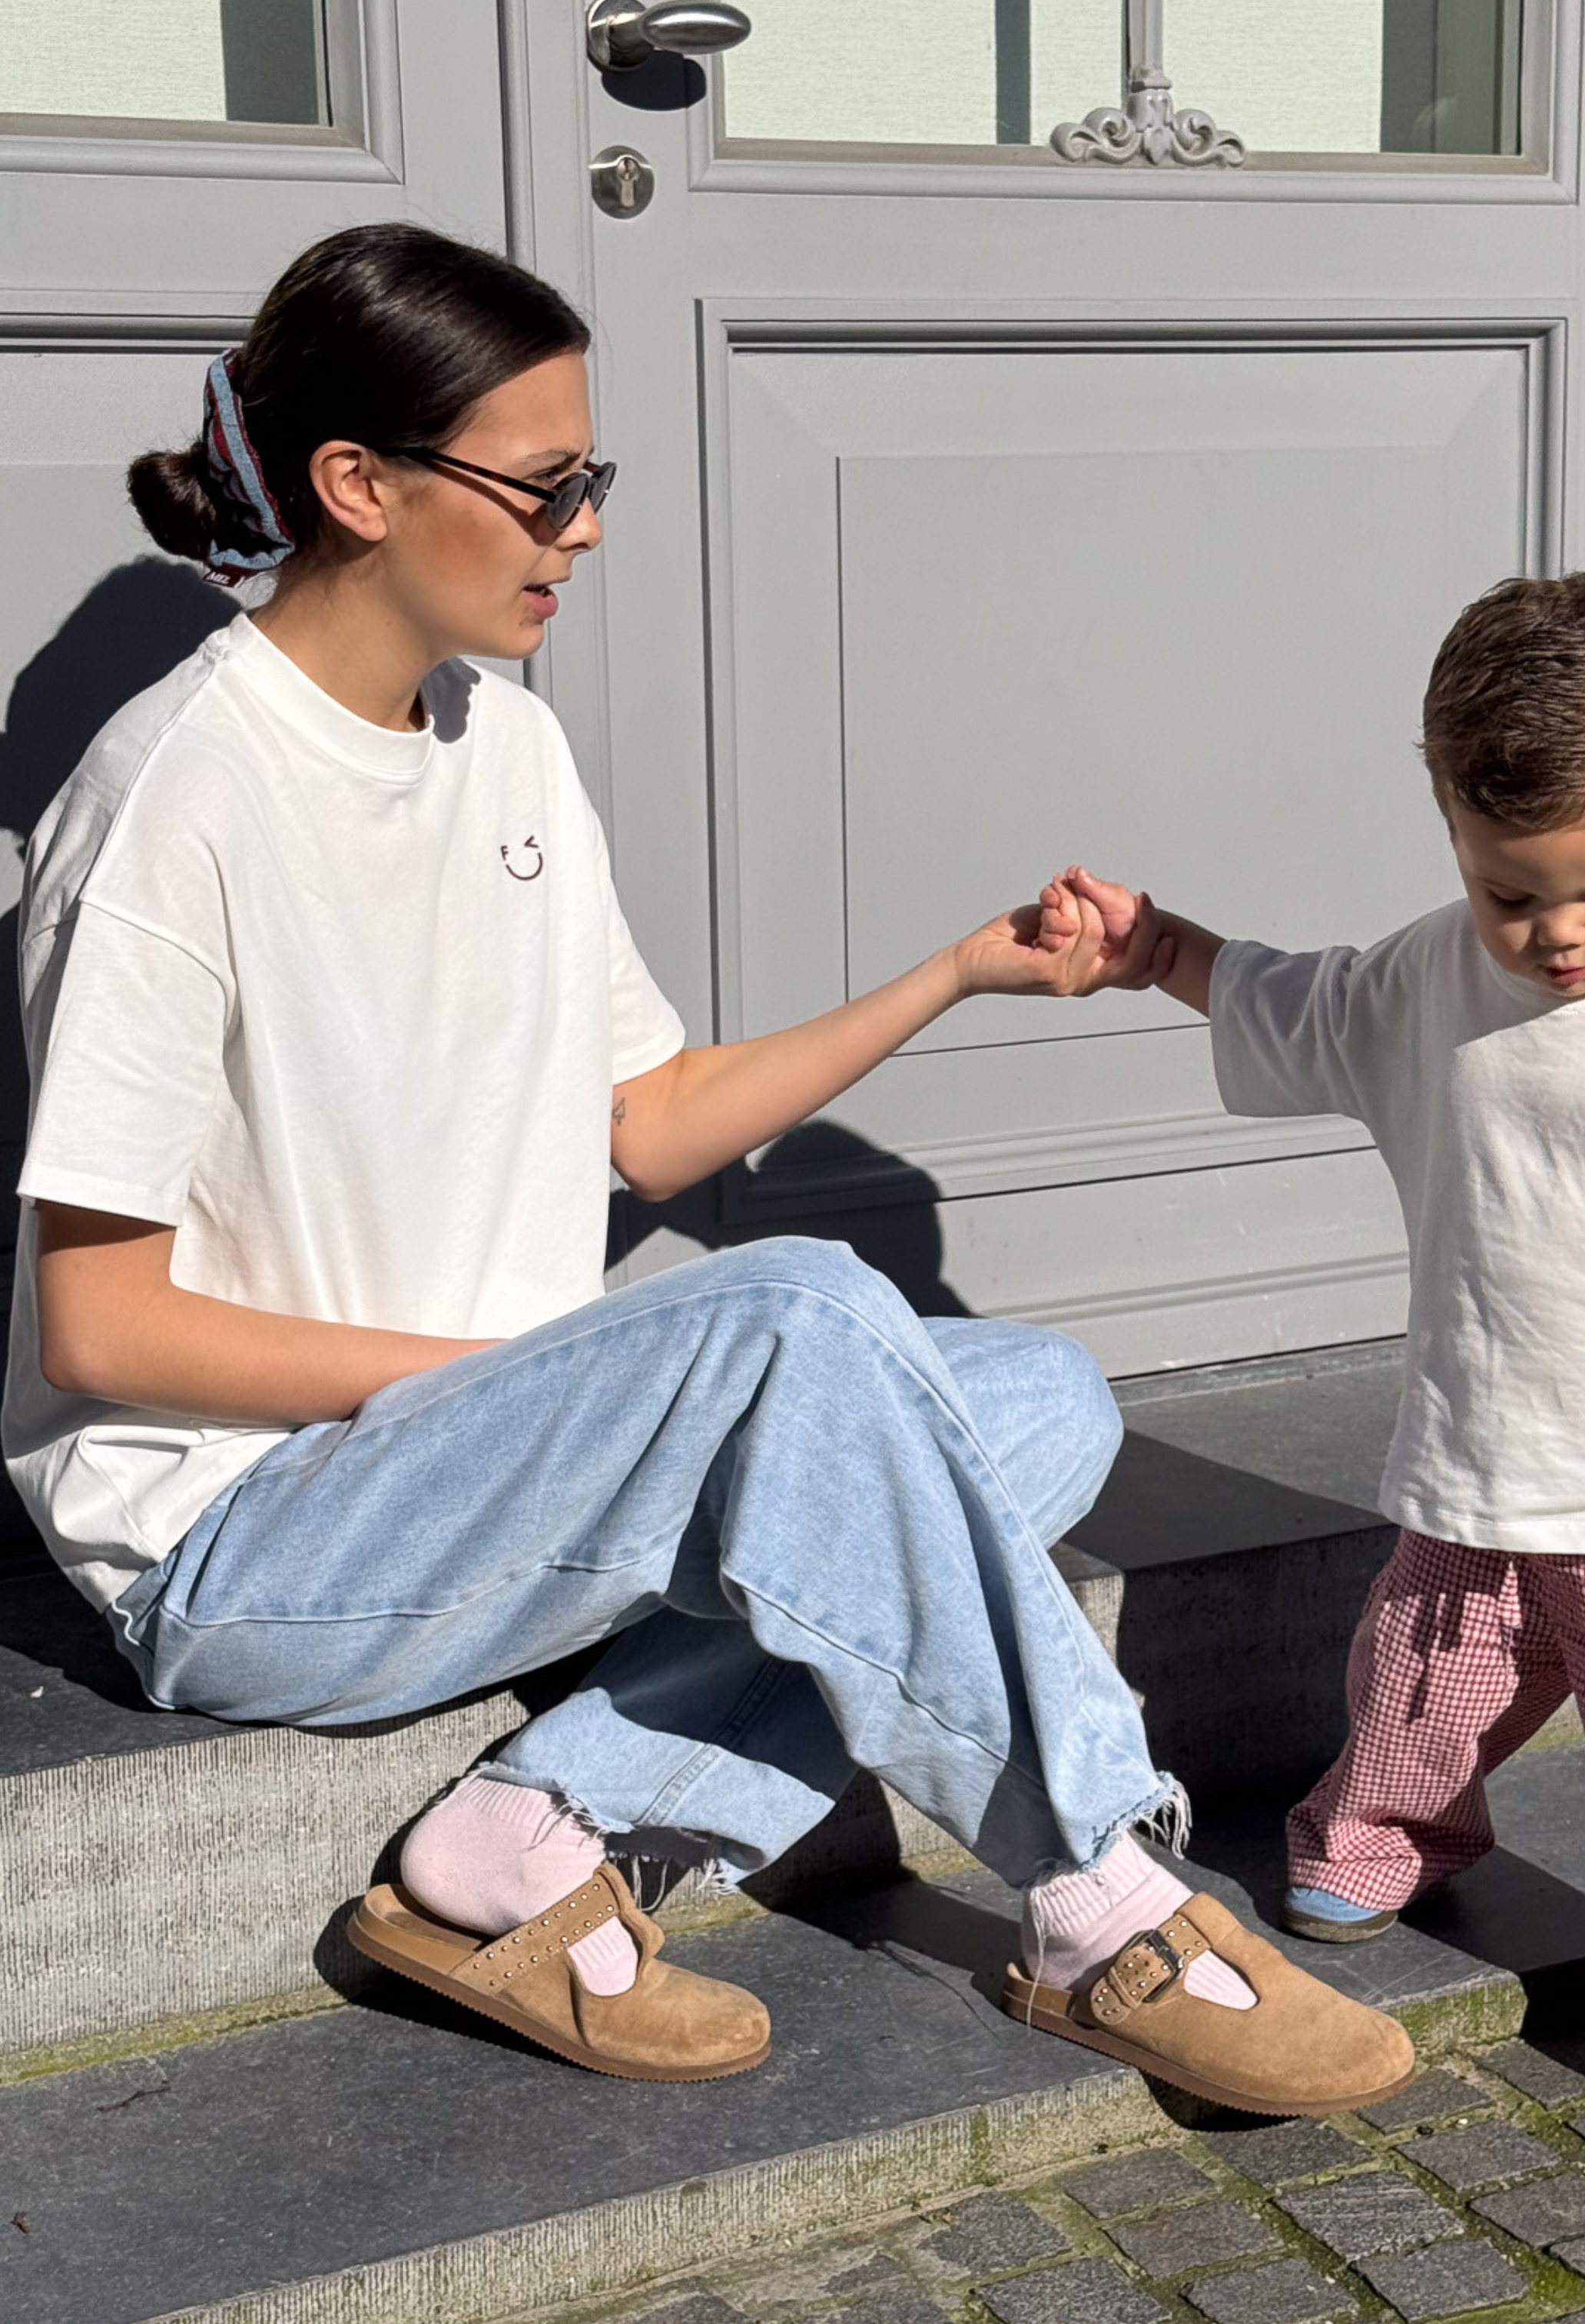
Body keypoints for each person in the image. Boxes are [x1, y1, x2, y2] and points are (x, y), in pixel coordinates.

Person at [3, 223, 1412, 2112]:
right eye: (544, 485)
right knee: (804, 1322)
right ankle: (1101, 1899)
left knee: (1035, 1400)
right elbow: (99, 1330)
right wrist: (504, 1391)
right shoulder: (169, 803)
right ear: (357, 484)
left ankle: (528, 1836)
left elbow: (647, 1117)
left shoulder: (501, 747)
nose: (583, 528)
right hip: (248, 1544)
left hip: (483, 1464)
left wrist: (951, 974)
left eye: (591, 477)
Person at [1038, 574, 1585, 2176]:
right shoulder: (1424, 978)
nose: (1559, 934)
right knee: (1416, 1687)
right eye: (1511, 891)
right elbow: (1293, 1000)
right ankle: (1379, 1833)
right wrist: (1159, 947)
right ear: (1451, 828)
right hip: (1481, 1472)